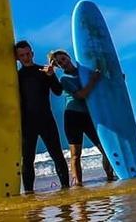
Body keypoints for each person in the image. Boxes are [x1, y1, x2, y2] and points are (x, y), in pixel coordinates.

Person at [48, 49, 115, 186]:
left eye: (63, 59)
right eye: (59, 63)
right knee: (76, 154)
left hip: (89, 116)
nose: (63, 63)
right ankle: (78, 184)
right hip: (73, 118)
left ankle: (110, 177)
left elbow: (101, 82)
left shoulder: (84, 72)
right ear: (58, 67)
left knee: (105, 149)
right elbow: (80, 95)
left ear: (68, 57)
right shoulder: (64, 79)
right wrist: (93, 81)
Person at [14, 40, 69, 193]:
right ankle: (29, 194)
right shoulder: (16, 77)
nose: (26, 57)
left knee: (57, 155)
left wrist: (51, 76)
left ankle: (66, 190)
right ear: (17, 58)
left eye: (27, 53)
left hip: (46, 120)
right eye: (22, 55)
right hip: (27, 124)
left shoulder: (44, 71)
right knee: (27, 160)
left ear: (32, 52)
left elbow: (58, 91)